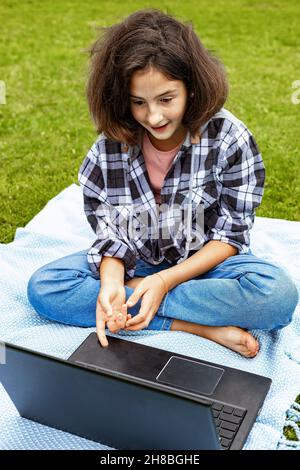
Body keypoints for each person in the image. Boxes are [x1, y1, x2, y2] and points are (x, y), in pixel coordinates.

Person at [27, 8, 298, 357]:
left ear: (193, 88)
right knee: (45, 287)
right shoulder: (109, 147)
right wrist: (111, 281)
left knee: (277, 296)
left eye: (166, 99)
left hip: (204, 265)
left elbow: (231, 236)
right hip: (134, 261)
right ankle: (194, 326)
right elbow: (110, 230)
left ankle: (141, 299)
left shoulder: (230, 138)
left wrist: (161, 282)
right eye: (138, 102)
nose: (153, 116)